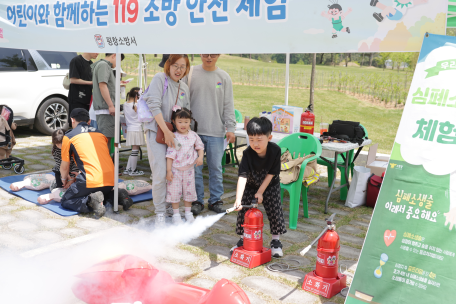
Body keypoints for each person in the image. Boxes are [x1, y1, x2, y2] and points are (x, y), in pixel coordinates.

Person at [143, 54, 191, 227]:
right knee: (160, 173)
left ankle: (172, 207)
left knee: (175, 174)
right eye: (175, 66)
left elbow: (186, 114)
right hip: (157, 133)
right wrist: (167, 132)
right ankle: (160, 213)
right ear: (168, 65)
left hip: (175, 137)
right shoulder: (159, 79)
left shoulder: (184, 87)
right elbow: (153, 105)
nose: (179, 70)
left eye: (183, 66)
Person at [187, 54, 236, 215]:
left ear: (219, 55)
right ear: (200, 54)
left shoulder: (224, 77)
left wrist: (231, 128)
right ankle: (197, 201)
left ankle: (215, 200)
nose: (209, 57)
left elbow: (228, 104)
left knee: (216, 168)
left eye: (213, 54)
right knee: (195, 168)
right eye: (205, 54)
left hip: (216, 130)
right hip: (194, 132)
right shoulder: (191, 73)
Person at [230, 117, 287, 258]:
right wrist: (238, 199)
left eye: (259, 139)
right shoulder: (247, 154)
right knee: (244, 211)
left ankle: (276, 241)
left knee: (275, 211)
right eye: (251, 139)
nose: (255, 143)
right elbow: (242, 176)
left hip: (270, 185)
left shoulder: (275, 150)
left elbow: (272, 173)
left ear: (269, 138)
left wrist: (261, 192)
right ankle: (244, 238)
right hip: (250, 185)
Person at [60, 108, 133, 217]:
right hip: (110, 179)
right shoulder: (100, 134)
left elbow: (65, 166)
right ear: (89, 121)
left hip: (90, 180)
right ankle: (117, 196)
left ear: (72, 120)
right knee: (101, 194)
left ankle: (90, 202)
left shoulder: (69, 136)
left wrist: (64, 180)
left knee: (66, 200)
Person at [166, 107, 204, 224]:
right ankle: (176, 215)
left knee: (189, 191)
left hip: (189, 170)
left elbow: (200, 147)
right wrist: (169, 171)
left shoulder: (193, 135)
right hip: (175, 170)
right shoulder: (173, 136)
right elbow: (170, 156)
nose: (183, 124)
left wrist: (200, 157)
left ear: (190, 122)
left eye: (186, 122)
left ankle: (188, 213)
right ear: (174, 122)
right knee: (174, 192)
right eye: (180, 122)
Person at [91, 53, 125, 146]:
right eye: (119, 60)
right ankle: (104, 160)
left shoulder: (102, 65)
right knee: (105, 139)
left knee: (107, 139)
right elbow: (102, 85)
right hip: (105, 109)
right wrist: (110, 105)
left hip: (105, 108)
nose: (118, 64)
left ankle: (105, 159)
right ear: (114, 55)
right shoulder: (104, 65)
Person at [68, 53, 99, 124]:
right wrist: (91, 82)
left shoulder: (91, 63)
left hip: (87, 99)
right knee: (77, 123)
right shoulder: (76, 60)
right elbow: (73, 80)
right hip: (77, 99)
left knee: (86, 123)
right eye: (96, 51)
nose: (98, 53)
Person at [123, 87, 145, 176]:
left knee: (133, 151)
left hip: (130, 129)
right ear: (137, 96)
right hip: (137, 129)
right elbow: (142, 116)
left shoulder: (125, 104)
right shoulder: (136, 105)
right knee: (135, 151)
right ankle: (133, 170)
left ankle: (128, 169)